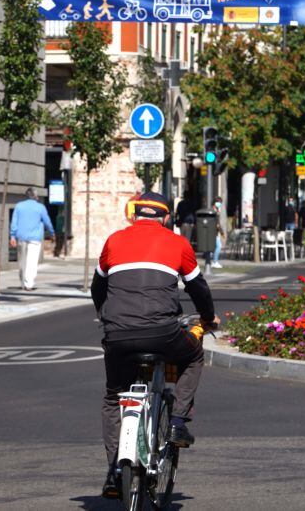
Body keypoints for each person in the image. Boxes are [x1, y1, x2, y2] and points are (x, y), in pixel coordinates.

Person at [91, 192, 218, 499]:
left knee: (113, 396)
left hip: (118, 335)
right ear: (166, 218)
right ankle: (176, 423)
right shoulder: (178, 244)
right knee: (194, 356)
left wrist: (104, 316)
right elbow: (198, 288)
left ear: (135, 215)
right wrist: (208, 318)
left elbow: (98, 288)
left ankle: (114, 471)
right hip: (163, 333)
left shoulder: (113, 241)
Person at [10, 188, 54, 290]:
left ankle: (22, 282)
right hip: (35, 238)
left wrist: (12, 236)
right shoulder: (40, 207)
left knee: (22, 261)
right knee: (32, 261)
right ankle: (29, 284)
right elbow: (47, 221)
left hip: (21, 237)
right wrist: (52, 232)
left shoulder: (19, 206)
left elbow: (14, 222)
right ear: (36, 196)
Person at [211, 197, 226, 268]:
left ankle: (214, 261)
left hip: (215, 232)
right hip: (213, 232)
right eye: (219, 202)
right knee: (218, 246)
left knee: (215, 246)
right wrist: (222, 233)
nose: (219, 204)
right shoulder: (214, 211)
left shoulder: (216, 210)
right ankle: (214, 261)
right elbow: (217, 224)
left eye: (220, 202)